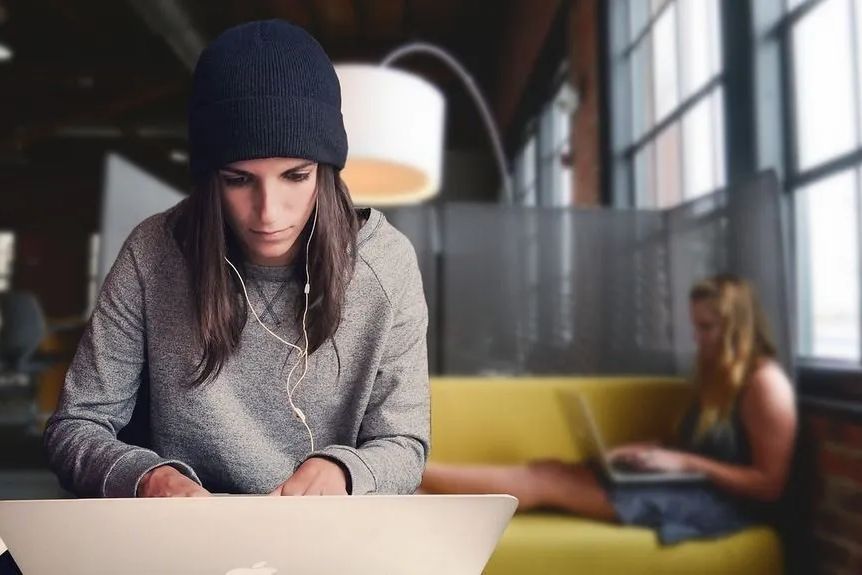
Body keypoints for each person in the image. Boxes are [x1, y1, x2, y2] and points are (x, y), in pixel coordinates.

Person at [43, 20, 431, 499]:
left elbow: (406, 445)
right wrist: (148, 479)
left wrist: (346, 473)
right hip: (183, 540)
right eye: (238, 180)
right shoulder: (153, 254)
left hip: (331, 533)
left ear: (326, 172)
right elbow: (76, 425)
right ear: (210, 180)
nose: (269, 213)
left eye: (295, 176)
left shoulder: (385, 265)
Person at [419, 274, 797, 543]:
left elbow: (769, 485)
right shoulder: (718, 375)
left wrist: (688, 464)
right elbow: (706, 447)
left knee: (547, 481)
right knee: (548, 469)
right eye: (695, 326)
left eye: (707, 327)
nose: (697, 338)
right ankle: (412, 489)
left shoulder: (766, 384)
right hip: (688, 486)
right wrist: (654, 453)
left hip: (718, 507)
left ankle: (412, 475)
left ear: (738, 326)